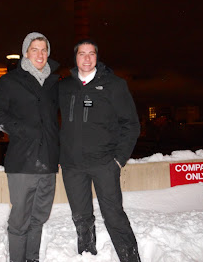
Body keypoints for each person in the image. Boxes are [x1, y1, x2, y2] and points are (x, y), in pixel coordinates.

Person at [59, 39, 141, 262]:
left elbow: (131, 124)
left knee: (114, 216)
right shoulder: (64, 87)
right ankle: (87, 255)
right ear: (75, 58)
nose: (86, 58)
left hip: (104, 163)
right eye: (82, 54)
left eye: (91, 53)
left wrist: (118, 160)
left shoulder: (114, 85)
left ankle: (130, 258)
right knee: (81, 217)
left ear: (97, 57)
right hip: (72, 165)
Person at [0, 32, 60, 262]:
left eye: (44, 49)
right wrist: (25, 131)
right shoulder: (10, 81)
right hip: (22, 162)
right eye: (34, 49)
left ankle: (32, 259)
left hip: (48, 161)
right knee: (20, 221)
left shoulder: (53, 83)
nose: (40, 54)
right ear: (25, 53)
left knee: (39, 218)